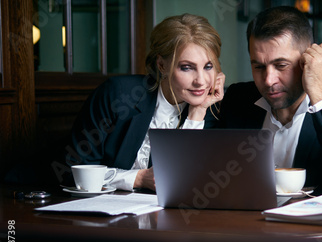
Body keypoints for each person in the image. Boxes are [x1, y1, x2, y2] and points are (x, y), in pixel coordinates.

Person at [217, 6, 322, 197]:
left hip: (314, 227)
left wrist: (320, 94)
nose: (269, 80)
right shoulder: (237, 99)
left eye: (281, 65)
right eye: (259, 66)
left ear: (308, 60)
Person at [53, 14, 225, 192]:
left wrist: (197, 114)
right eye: (187, 67)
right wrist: (138, 178)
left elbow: (183, 181)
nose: (201, 81)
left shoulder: (212, 111)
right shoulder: (118, 95)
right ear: (161, 65)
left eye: (208, 66)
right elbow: (72, 169)